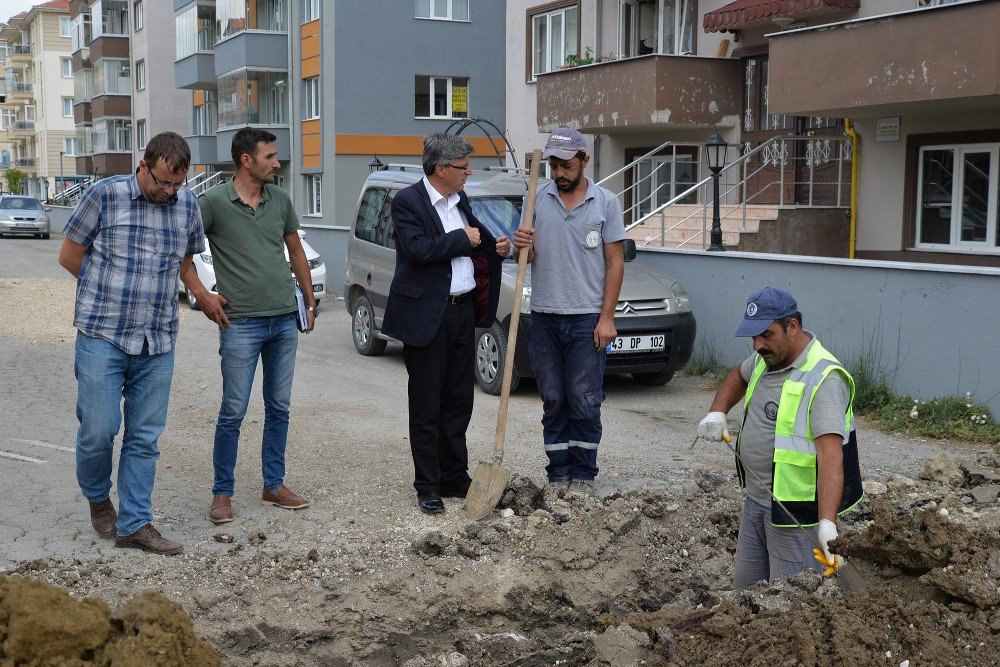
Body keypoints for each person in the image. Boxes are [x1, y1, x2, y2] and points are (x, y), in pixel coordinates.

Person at [59, 132, 205, 555]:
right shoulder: (104, 196)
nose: (168, 191)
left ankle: (135, 523)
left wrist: (206, 297)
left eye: (176, 184)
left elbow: (185, 262)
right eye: (161, 182)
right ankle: (98, 497)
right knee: (99, 430)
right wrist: (104, 292)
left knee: (144, 437)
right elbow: (70, 255)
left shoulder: (187, 205)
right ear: (143, 166)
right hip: (102, 334)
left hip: (158, 339)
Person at [185, 127, 316, 525]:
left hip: (282, 319)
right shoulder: (211, 203)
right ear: (247, 160)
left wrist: (308, 301)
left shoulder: (280, 199)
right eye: (270, 156)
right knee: (233, 410)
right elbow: (182, 253)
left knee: (279, 407)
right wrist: (204, 297)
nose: (277, 163)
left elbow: (295, 249)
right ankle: (221, 494)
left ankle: (273, 485)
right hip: (240, 323)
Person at [697, 287, 863, 588]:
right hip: (757, 501)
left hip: (795, 514)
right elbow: (738, 375)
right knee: (745, 592)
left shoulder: (823, 378)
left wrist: (827, 523)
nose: (758, 345)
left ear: (793, 327)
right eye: (753, 337)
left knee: (788, 602)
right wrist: (717, 412)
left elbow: (831, 456)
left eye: (766, 335)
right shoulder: (766, 357)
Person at [381, 133, 510, 514]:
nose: (469, 172)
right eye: (463, 166)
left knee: (459, 400)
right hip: (426, 317)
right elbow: (417, 250)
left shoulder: (461, 200)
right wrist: (462, 239)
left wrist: (493, 246)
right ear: (441, 169)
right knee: (426, 403)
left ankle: (454, 474)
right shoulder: (407, 201)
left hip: (461, 310)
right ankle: (428, 484)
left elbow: (473, 245)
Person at [512, 128, 625, 496]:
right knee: (553, 398)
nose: (559, 172)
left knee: (584, 398)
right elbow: (526, 259)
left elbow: (615, 264)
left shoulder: (605, 202)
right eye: (554, 165)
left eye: (567, 165)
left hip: (587, 319)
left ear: (584, 162)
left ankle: (584, 475)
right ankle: (558, 474)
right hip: (543, 316)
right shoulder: (536, 200)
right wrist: (520, 246)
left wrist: (607, 318)